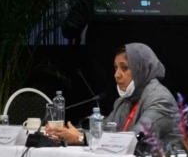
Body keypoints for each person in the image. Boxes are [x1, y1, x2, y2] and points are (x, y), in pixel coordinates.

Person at [46, 43, 181, 147]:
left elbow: (137, 139)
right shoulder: (123, 101)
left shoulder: (160, 99)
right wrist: (66, 133)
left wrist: (81, 138)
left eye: (124, 68)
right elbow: (102, 131)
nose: (116, 75)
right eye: (116, 67)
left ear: (142, 69)